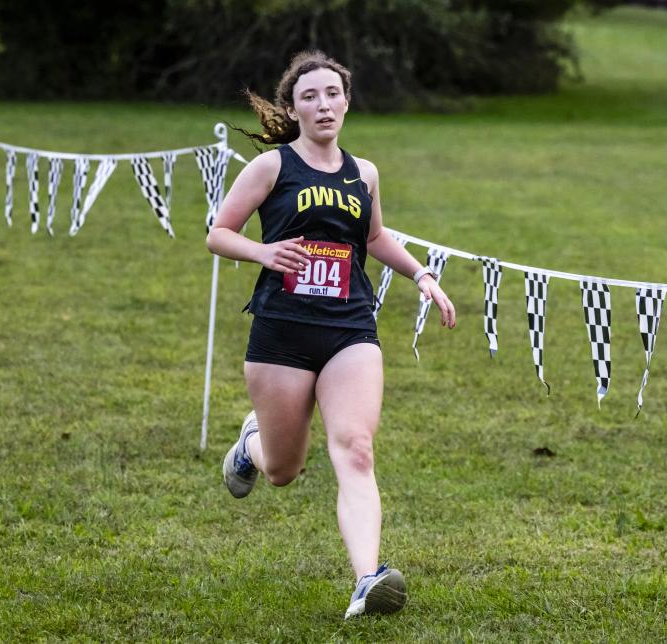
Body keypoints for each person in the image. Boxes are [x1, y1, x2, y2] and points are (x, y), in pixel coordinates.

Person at [206, 50, 456, 619]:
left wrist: (422, 275)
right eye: (310, 96)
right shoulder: (272, 168)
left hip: (349, 327)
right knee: (282, 471)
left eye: (333, 94)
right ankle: (252, 446)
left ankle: (368, 579)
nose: (324, 105)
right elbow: (219, 233)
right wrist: (263, 251)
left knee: (357, 449)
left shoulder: (362, 173)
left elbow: (373, 237)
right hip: (282, 334)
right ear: (294, 108)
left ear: (346, 101)